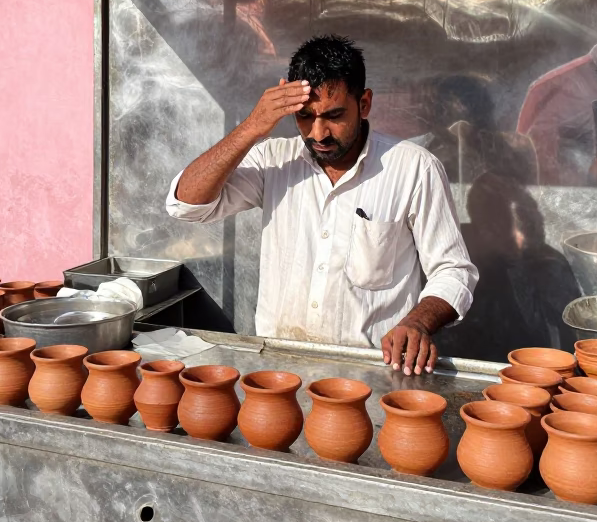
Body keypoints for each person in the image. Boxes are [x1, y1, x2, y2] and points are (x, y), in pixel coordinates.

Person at [166, 35, 479, 375]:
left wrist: (417, 322)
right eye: (304, 116)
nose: (318, 133)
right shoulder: (274, 161)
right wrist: (251, 128)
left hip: (373, 377)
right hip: (280, 374)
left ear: (365, 104)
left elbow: (453, 270)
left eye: (334, 115)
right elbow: (187, 204)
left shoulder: (414, 168)